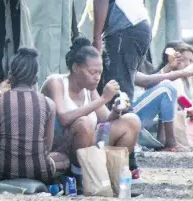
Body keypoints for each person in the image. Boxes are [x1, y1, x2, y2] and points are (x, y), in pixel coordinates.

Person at [41, 37, 141, 183]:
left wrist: (116, 111)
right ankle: (80, 178)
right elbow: (63, 118)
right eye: (92, 72)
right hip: (60, 149)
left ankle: (114, 174)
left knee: (131, 121)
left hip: (87, 146)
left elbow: (105, 119)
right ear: (76, 68)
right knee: (85, 122)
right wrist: (103, 99)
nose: (97, 77)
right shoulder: (56, 82)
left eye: (99, 73)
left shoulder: (89, 89)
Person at [0, 48, 70, 183]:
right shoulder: (49, 104)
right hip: (39, 172)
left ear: (10, 76)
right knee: (64, 159)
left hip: (1, 171)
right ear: (35, 79)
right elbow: (47, 146)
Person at [132, 45, 193, 150]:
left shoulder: (142, 63)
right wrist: (182, 72)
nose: (187, 64)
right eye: (184, 60)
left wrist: (169, 67)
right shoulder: (122, 60)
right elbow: (146, 82)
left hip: (139, 118)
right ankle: (170, 141)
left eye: (190, 61)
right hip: (125, 117)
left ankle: (169, 140)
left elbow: (150, 83)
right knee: (167, 88)